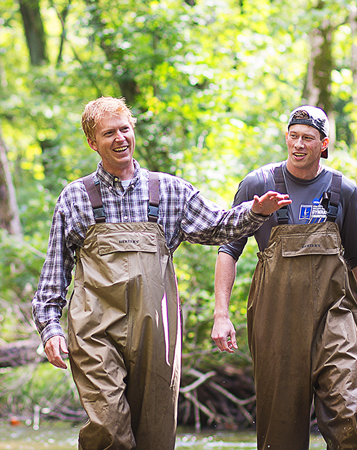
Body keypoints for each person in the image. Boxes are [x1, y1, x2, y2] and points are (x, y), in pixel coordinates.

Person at [32, 96, 290, 450]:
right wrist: (50, 328)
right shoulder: (75, 197)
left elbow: (217, 226)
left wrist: (255, 212)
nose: (120, 138)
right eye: (109, 133)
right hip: (94, 333)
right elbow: (54, 272)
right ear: (93, 142)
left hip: (157, 333)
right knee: (108, 428)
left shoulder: (168, 190)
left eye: (125, 129)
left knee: (155, 435)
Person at [212, 105, 357, 449]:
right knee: (281, 430)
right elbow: (228, 250)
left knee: (349, 413)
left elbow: (354, 261)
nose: (298, 144)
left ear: (323, 144)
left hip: (334, 318)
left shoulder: (345, 192)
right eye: (293, 136)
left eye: (308, 138)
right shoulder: (258, 184)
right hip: (275, 321)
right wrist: (222, 315)